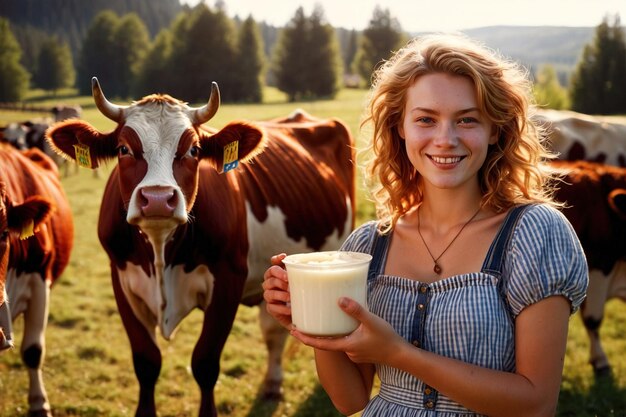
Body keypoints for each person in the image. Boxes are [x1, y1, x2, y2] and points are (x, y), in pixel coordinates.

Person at [262, 32, 588, 417]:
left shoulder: (534, 234)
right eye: (426, 120)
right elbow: (351, 399)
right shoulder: (367, 247)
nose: (445, 139)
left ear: (495, 129)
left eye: (467, 119)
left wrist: (399, 354)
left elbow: (536, 404)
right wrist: (313, 323)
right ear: (400, 127)